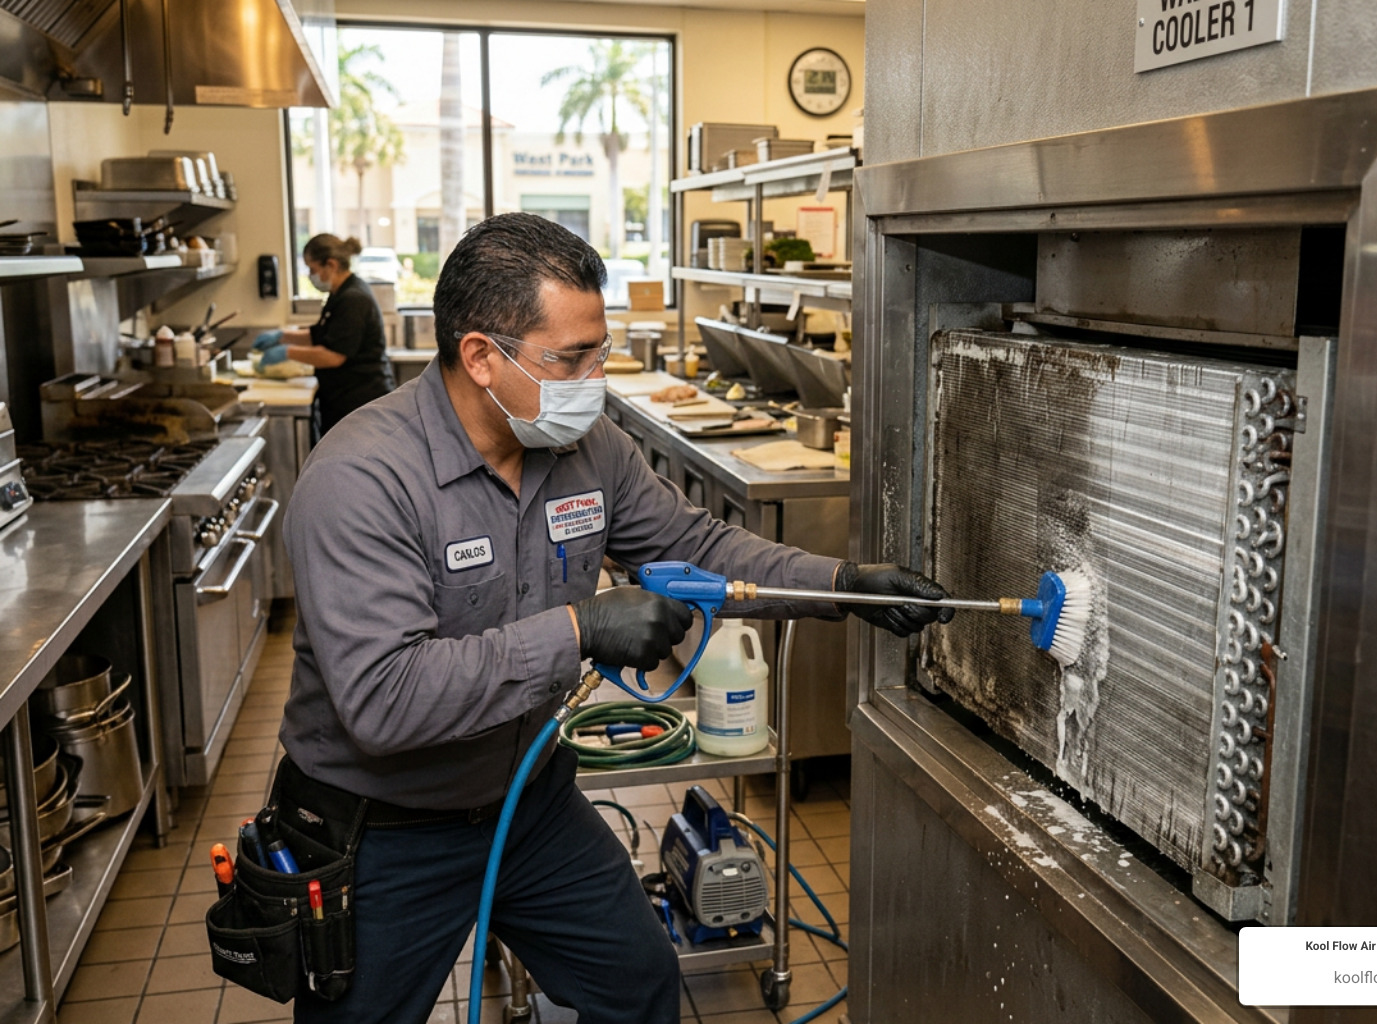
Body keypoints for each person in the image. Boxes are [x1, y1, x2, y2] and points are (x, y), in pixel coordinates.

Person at [277, 213, 952, 1024]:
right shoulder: (361, 478)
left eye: (599, 350)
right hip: (381, 831)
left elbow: (699, 548)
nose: (596, 376)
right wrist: (580, 630)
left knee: (636, 985)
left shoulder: (587, 449)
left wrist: (844, 584)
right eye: (571, 359)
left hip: (528, 800)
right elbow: (384, 699)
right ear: (481, 356)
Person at [250, 234, 395, 436]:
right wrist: (283, 336)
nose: (311, 275)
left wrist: (287, 352)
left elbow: (333, 355)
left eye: (313, 269)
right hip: (345, 399)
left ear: (331, 265)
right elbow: (321, 335)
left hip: (360, 401)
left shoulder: (354, 299)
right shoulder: (340, 294)